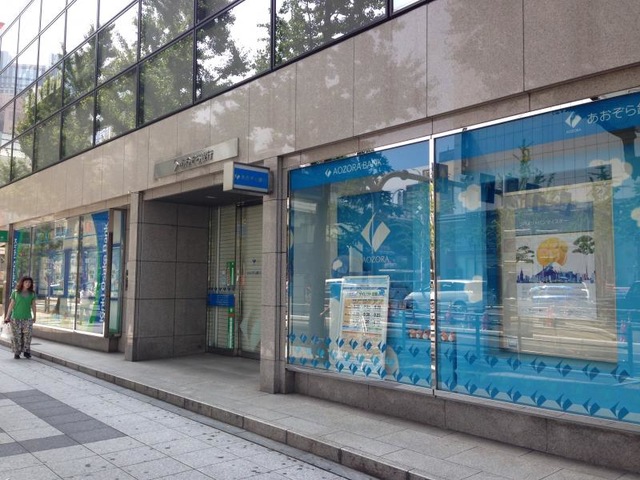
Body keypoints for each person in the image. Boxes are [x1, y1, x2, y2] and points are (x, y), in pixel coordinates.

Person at [3, 276, 37, 359]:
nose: (28, 284)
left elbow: (33, 306)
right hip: (15, 318)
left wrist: (35, 316)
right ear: (22, 283)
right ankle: (17, 352)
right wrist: (7, 316)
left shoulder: (32, 293)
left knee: (27, 336)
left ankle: (26, 352)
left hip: (27, 318)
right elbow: (11, 305)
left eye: (29, 282)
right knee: (16, 336)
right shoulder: (15, 292)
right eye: (26, 282)